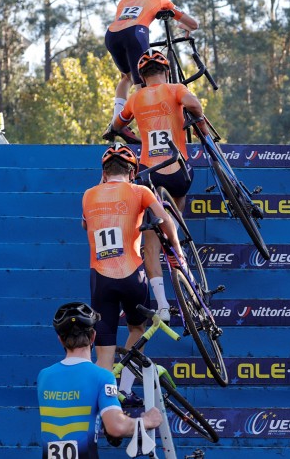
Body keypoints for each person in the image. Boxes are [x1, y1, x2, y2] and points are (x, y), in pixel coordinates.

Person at [108, 49, 208, 318]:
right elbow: (196, 105)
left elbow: (117, 124)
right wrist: (196, 122)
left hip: (149, 173)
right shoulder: (175, 88)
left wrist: (121, 129)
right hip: (177, 172)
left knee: (149, 243)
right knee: (175, 227)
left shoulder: (135, 98)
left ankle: (162, 305)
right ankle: (176, 240)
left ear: (142, 76)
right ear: (165, 72)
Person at [81, 143, 185, 405]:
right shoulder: (140, 190)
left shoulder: (88, 194)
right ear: (132, 172)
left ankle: (105, 409)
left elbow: (85, 225)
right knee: (137, 328)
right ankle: (125, 389)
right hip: (132, 275)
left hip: (100, 279)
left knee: (103, 353)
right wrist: (178, 252)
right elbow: (165, 220)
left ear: (104, 173)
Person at [37, 301, 162, 459]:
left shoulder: (44, 376)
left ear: (60, 340)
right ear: (93, 337)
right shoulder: (102, 376)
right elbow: (116, 427)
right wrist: (146, 421)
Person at [103, 0, 200, 144]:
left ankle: (116, 122)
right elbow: (193, 24)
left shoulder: (125, 1)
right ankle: (150, 132)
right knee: (144, 87)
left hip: (112, 35)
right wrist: (183, 26)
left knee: (126, 78)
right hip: (135, 34)